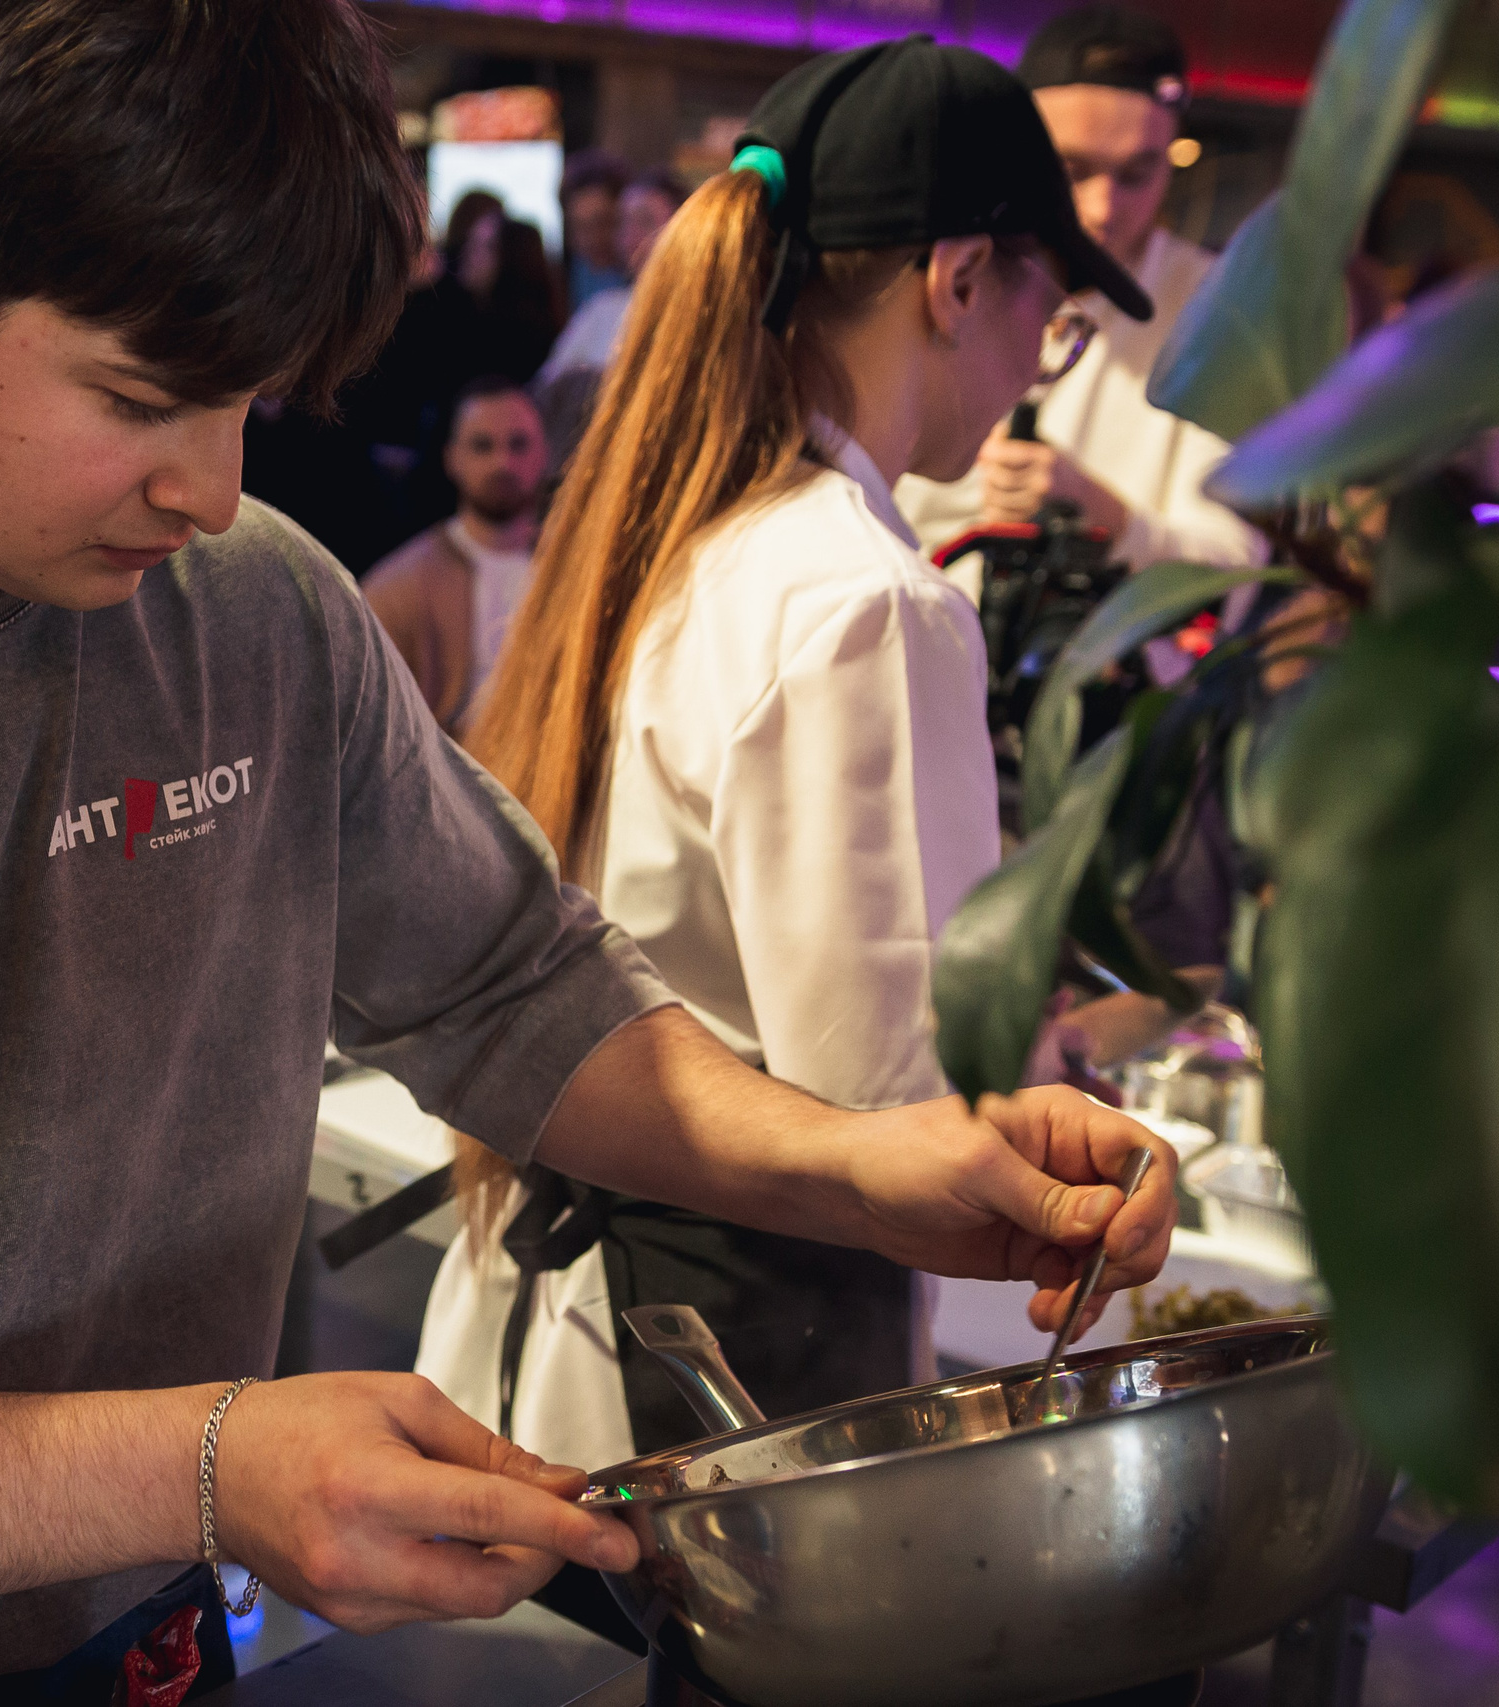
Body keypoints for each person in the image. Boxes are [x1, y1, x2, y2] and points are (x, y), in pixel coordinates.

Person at [0, 7, 1174, 1704]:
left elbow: (510, 984)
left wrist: (859, 1166)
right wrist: (215, 1458)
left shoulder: (250, 616)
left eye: (250, 403)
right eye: (140, 399)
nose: (210, 484)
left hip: (130, 1619)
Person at [416, 36, 1164, 1636]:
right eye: (1054, 304)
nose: (1046, 349)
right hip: (721, 1395)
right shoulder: (869, 600)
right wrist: (1088, 1080)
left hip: (569, 1353)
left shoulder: (691, 527)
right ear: (960, 279)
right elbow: (895, 1111)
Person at [894, 5, 1264, 583]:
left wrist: (1105, 516)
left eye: (1137, 173)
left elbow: (1237, 560)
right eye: (1071, 169)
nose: (1102, 208)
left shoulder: (1220, 306)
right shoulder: (949, 276)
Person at [360, 377, 548, 734]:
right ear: (452, 458)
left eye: (518, 444)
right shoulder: (398, 589)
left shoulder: (575, 572)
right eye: (482, 446)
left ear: (544, 453)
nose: (502, 462)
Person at [533, 169, 687, 471]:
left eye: (644, 221)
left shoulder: (708, 313)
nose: (630, 236)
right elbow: (547, 394)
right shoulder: (602, 310)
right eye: (623, 222)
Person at [444, 191, 563, 384]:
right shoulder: (465, 314)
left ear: (513, 259)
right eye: (470, 242)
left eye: (484, 246)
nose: (468, 254)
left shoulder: (514, 338)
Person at [559, 149, 632, 313]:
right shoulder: (579, 271)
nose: (592, 239)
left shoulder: (643, 275)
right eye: (580, 227)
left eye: (603, 223)